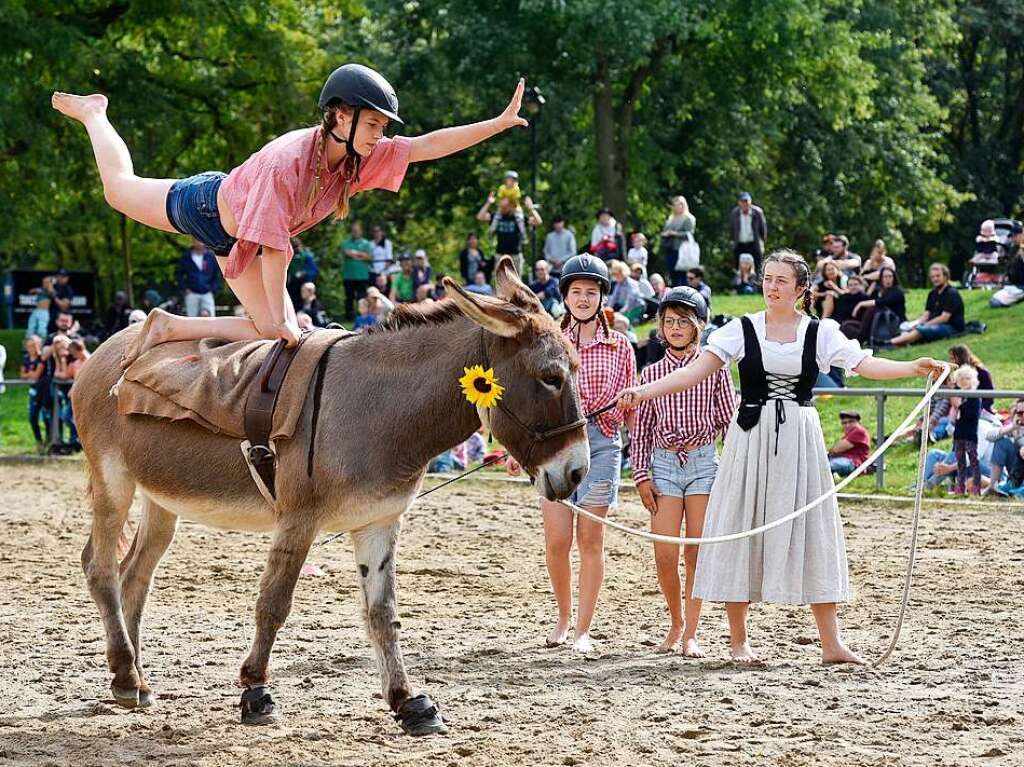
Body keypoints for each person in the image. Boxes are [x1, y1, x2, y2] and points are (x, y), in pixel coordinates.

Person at [54, 66, 531, 355]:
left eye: (383, 126)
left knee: (276, 332)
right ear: (340, 115)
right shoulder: (289, 163)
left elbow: (425, 145)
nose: (379, 134)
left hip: (241, 234)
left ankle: (168, 326)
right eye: (372, 123)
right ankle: (96, 112)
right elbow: (273, 249)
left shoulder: (358, 155)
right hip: (207, 208)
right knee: (118, 189)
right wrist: (284, 318)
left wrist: (497, 123)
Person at [618, 249, 944, 664]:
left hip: (799, 439)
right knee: (741, 524)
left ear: (801, 289)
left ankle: (831, 643)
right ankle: (739, 641)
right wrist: (643, 391)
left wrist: (912, 367)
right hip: (749, 440)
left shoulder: (820, 332)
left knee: (813, 528)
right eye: (767, 279)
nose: (771, 286)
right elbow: (693, 372)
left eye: (781, 281)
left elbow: (865, 364)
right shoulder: (741, 329)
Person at [508, 255, 638, 652]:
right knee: (556, 540)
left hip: (600, 442)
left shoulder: (621, 346)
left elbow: (629, 400)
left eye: (592, 291)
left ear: (602, 297)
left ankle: (583, 628)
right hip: (555, 443)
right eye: (576, 291)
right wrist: (520, 449)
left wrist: (631, 421)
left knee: (590, 539)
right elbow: (530, 399)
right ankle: (562, 618)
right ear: (564, 296)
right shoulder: (547, 343)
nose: (583, 298)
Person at [631, 287, 736, 655]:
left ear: (698, 327)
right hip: (663, 464)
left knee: (695, 552)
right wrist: (641, 476)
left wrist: (735, 469)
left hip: (703, 463)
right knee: (664, 554)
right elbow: (640, 430)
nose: (675, 328)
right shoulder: (652, 373)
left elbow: (729, 421)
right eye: (669, 321)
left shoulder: (713, 369)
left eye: (683, 322)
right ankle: (674, 621)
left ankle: (691, 631)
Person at [891, 263, 965, 346]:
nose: (935, 279)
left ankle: (889, 343)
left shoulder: (952, 293)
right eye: (933, 277)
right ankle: (896, 343)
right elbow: (927, 314)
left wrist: (924, 325)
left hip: (951, 327)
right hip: (935, 325)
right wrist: (918, 323)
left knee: (921, 330)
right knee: (909, 328)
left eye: (938, 276)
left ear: (945, 276)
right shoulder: (932, 294)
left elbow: (944, 318)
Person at [477, 194, 539, 277]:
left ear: (512, 206)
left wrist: (530, 208)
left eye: (505, 207)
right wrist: (488, 203)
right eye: (501, 207)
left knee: (517, 282)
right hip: (500, 254)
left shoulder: (519, 218)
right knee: (500, 281)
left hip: (515, 255)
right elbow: (480, 216)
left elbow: (538, 221)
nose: (502, 209)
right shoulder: (497, 217)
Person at [848, 266, 906, 345]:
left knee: (872, 309)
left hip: (893, 322)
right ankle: (862, 337)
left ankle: (861, 338)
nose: (888, 279)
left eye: (890, 276)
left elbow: (882, 302)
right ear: (881, 278)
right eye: (885, 277)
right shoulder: (879, 291)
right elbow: (869, 297)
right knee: (846, 325)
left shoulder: (897, 291)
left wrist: (860, 304)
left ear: (894, 278)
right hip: (877, 323)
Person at [949, 365, 983, 496]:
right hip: (959, 433)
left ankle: (976, 486)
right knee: (960, 461)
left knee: (973, 460)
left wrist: (960, 407)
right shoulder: (960, 396)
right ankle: (960, 486)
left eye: (967, 378)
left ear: (973, 380)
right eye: (961, 379)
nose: (964, 381)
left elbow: (972, 415)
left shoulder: (975, 397)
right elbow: (954, 418)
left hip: (970, 434)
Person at [984, 399, 1024, 496]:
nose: (1022, 416)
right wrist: (1012, 427)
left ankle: (1015, 488)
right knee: (1002, 443)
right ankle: (992, 486)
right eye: (1019, 413)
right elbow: (989, 436)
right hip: (1017, 469)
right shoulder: (1016, 427)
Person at [175, 239, 222, 318]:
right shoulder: (186, 257)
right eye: (197, 241)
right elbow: (179, 274)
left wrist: (213, 289)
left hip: (207, 292)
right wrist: (184, 288)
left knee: (211, 318)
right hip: (192, 292)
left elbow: (217, 274)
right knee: (192, 319)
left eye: (201, 241)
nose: (200, 243)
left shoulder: (211, 257)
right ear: (193, 242)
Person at [948, 344, 995, 414]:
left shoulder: (981, 372)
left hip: (981, 410)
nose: (950, 361)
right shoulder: (957, 374)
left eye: (952, 358)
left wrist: (979, 409)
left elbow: (990, 396)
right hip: (963, 410)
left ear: (958, 358)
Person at [661, 196, 697, 287]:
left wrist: (675, 234)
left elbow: (689, 234)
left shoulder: (689, 218)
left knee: (683, 276)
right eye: (675, 205)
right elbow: (664, 231)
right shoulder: (670, 219)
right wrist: (666, 234)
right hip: (670, 249)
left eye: (679, 204)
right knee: (673, 275)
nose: (677, 207)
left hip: (683, 251)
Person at [20, 335, 48, 451]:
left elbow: (36, 375)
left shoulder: (42, 358)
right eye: (30, 345)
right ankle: (39, 442)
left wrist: (29, 374)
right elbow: (22, 375)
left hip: (44, 391)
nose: (33, 347)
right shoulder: (26, 358)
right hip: (33, 392)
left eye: (35, 345)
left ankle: (49, 440)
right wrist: (30, 374)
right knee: (32, 417)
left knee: (47, 417)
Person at [728, 192, 767, 275]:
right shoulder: (734, 213)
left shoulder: (757, 212)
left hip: (754, 244)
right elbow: (732, 229)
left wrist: (762, 242)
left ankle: (756, 286)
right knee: (739, 268)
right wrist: (732, 242)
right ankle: (741, 285)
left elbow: (762, 229)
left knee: (757, 267)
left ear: (750, 202)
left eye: (746, 201)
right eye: (742, 201)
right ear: (739, 202)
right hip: (740, 244)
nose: (745, 204)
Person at [341, 222, 373, 319]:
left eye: (357, 231)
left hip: (362, 276)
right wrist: (361, 255)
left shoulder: (366, 243)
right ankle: (350, 317)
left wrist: (354, 253)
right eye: (353, 231)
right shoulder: (345, 243)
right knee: (349, 298)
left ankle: (362, 316)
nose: (355, 233)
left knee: (362, 298)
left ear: (361, 232)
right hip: (348, 275)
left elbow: (369, 257)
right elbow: (347, 253)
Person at [990, 221, 1024, 308]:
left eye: (1015, 236)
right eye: (1012, 236)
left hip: (1020, 286)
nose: (1013, 239)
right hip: (1013, 285)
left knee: (995, 303)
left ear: (1021, 234)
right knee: (994, 300)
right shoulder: (1014, 249)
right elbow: (1009, 267)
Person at [827, 411, 871, 477]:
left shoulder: (859, 431)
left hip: (852, 462)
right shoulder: (849, 434)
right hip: (842, 459)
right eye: (844, 423)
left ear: (858, 423)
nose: (847, 425)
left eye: (851, 422)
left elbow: (836, 449)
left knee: (825, 467)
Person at [607, 260, 644, 324]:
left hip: (636, 307)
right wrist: (609, 308)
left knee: (623, 321)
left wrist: (622, 312)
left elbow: (630, 300)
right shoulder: (618, 284)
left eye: (617, 274)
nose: (616, 277)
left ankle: (638, 319)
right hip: (624, 307)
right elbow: (614, 298)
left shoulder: (631, 283)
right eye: (614, 275)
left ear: (623, 272)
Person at [287, 237, 319, 309]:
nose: (297, 249)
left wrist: (305, 273)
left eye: (297, 246)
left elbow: (313, 271)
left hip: (305, 282)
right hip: (292, 283)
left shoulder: (307, 257)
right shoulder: (289, 258)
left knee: (308, 288)